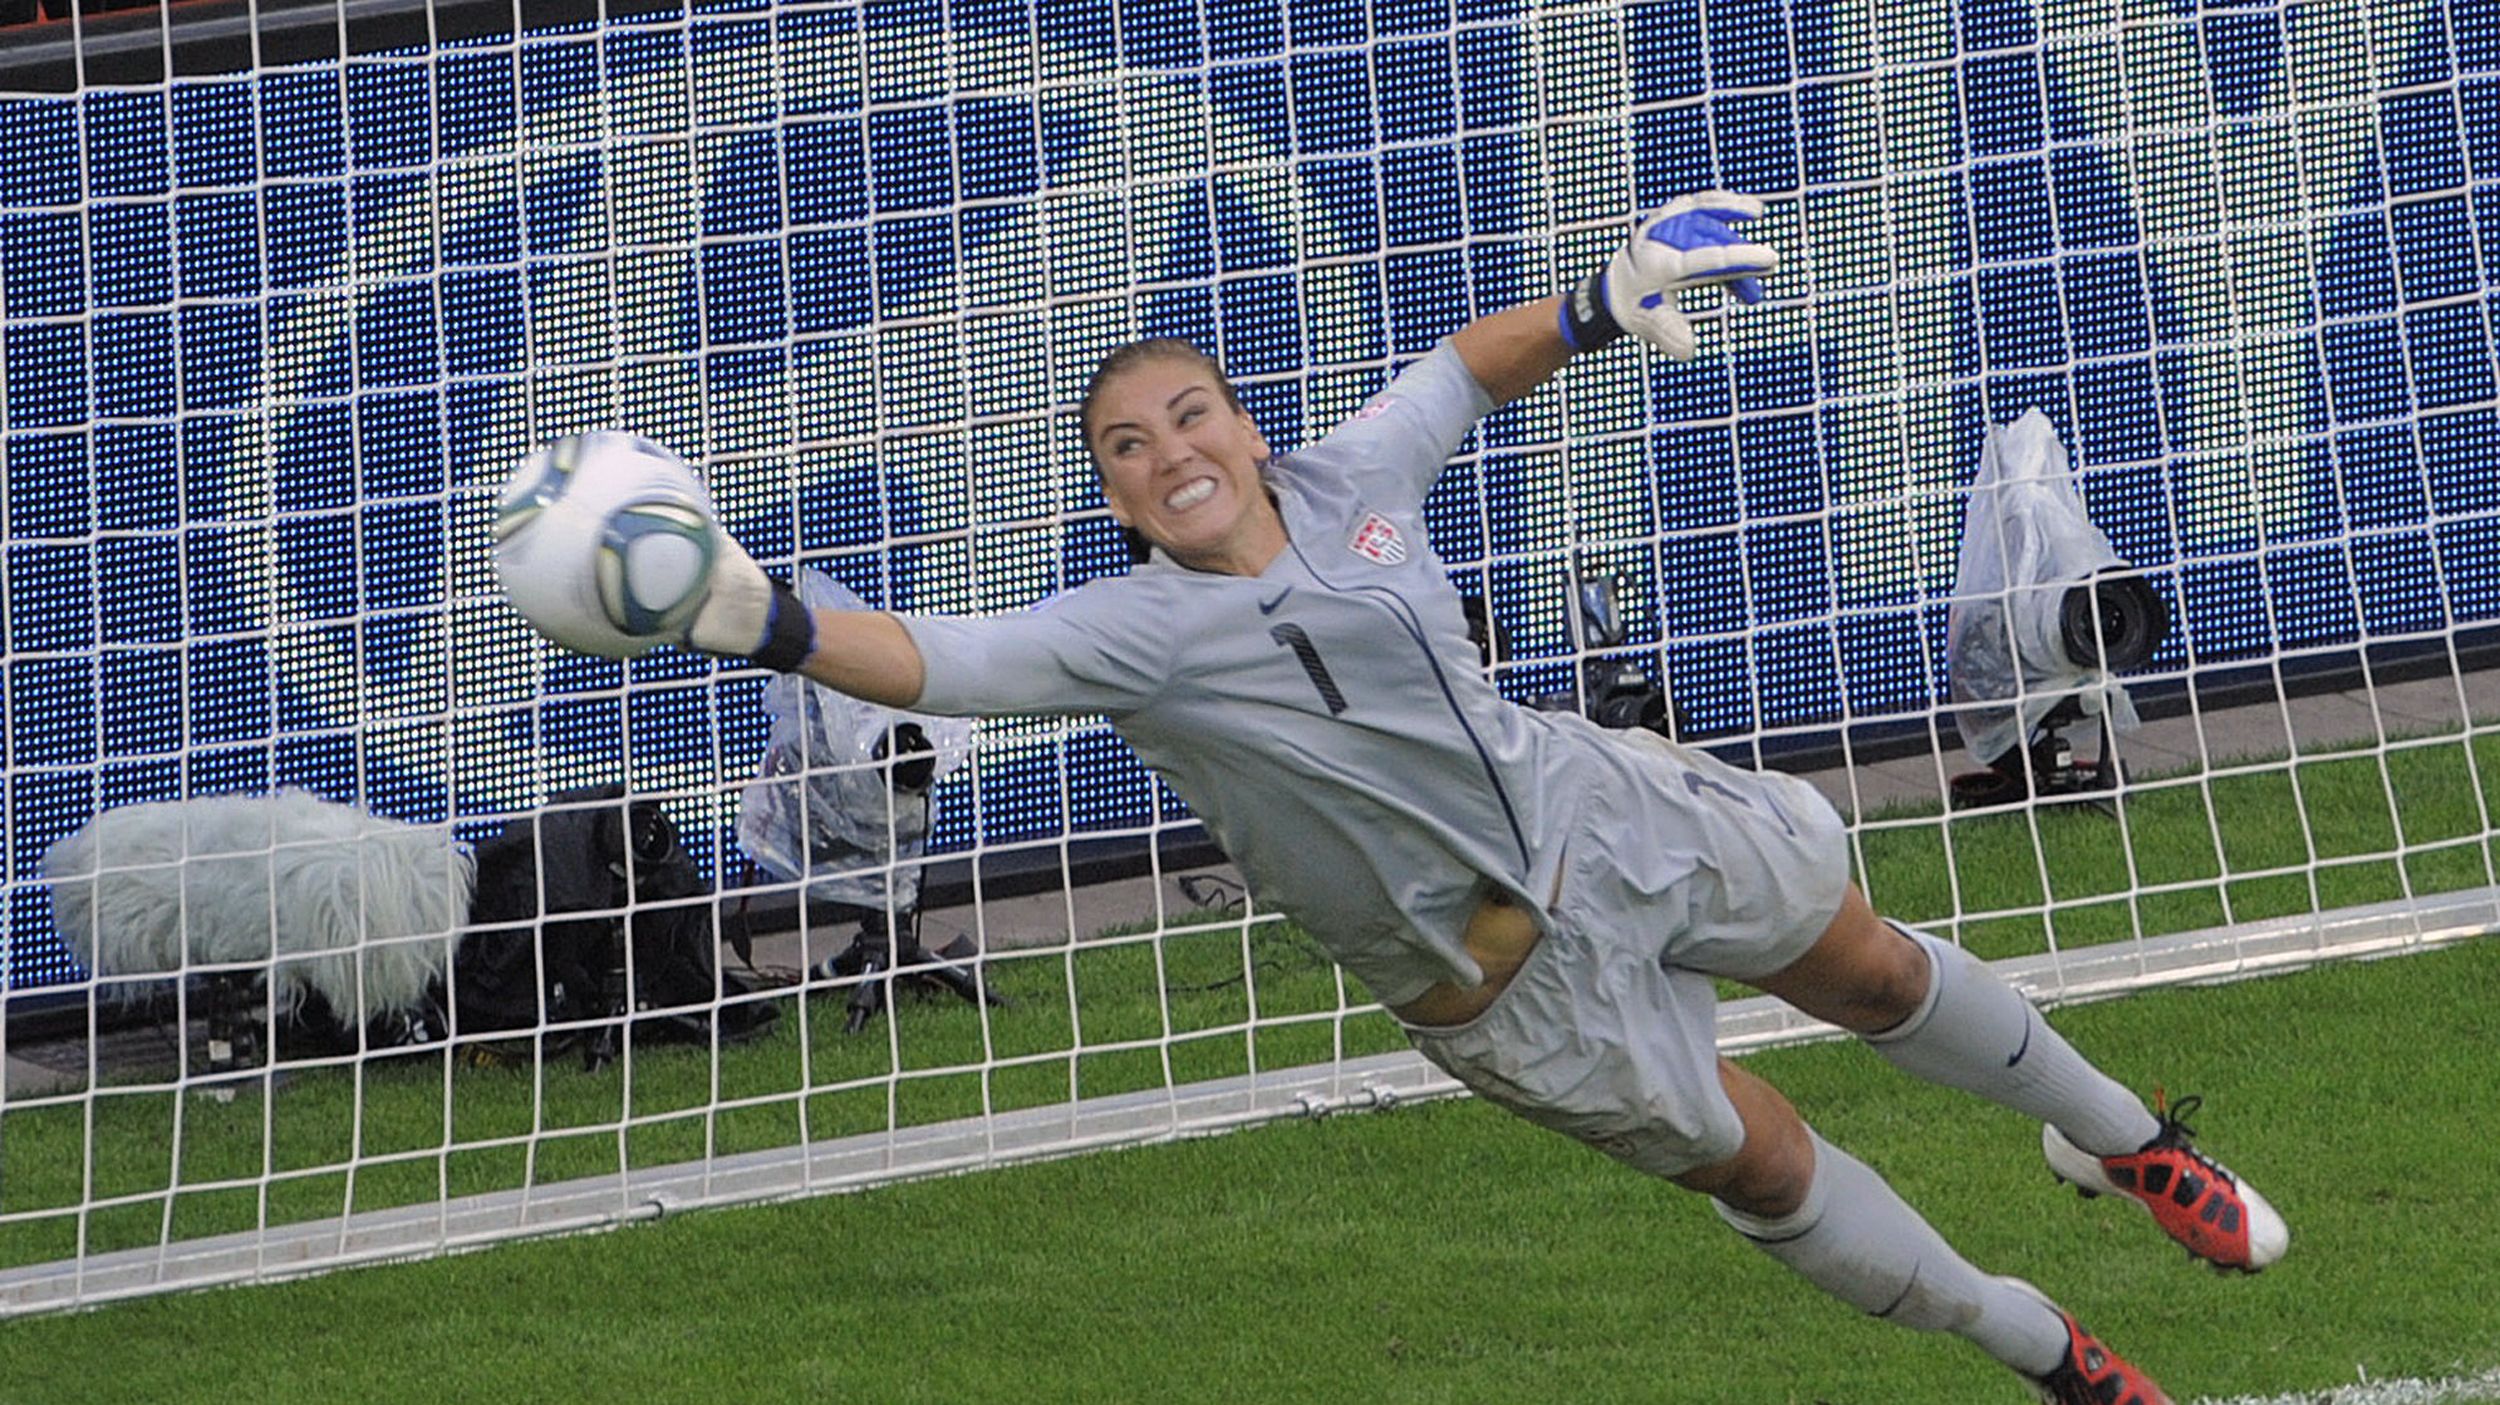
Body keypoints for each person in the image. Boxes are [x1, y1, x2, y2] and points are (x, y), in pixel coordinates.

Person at [515, 192, 2286, 1402]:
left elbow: (1463, 366)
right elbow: (934, 659)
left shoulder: (1352, 476)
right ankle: (2048, 1351)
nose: (1170, 451)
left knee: (1881, 970)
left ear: (1239, 419)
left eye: (1188, 413)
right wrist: (759, 617)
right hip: (1507, 982)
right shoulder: (1127, 634)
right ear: (1118, 502)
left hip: (1606, 810)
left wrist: (1598, 302)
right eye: (1127, 447)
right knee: (1768, 1161)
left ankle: (2135, 1143)